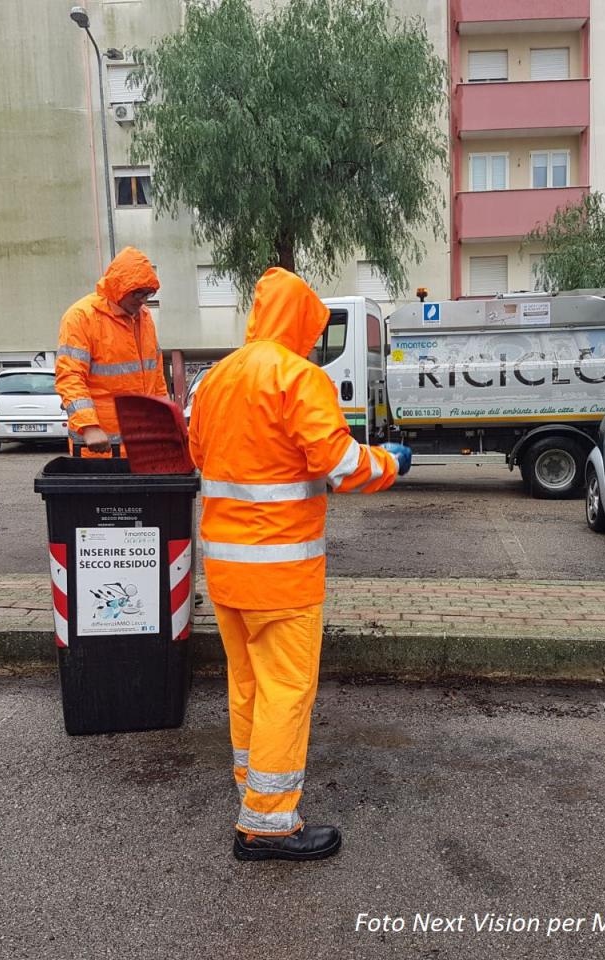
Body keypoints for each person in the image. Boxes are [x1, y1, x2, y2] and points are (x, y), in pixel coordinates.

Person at [188, 267, 412, 863]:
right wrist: (390, 463)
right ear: (300, 324)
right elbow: (341, 466)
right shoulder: (299, 378)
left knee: (248, 688)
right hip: (282, 575)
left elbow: (206, 459)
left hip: (226, 571)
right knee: (287, 691)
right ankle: (268, 824)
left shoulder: (214, 380)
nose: (314, 344)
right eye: (313, 333)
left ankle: (253, 793)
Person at [55, 247, 167, 457]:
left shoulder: (144, 318)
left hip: (143, 446)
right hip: (99, 448)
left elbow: (157, 378)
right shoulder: (82, 317)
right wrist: (89, 427)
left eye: (148, 293)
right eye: (138, 293)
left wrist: (166, 423)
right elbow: (70, 376)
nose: (143, 300)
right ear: (119, 287)